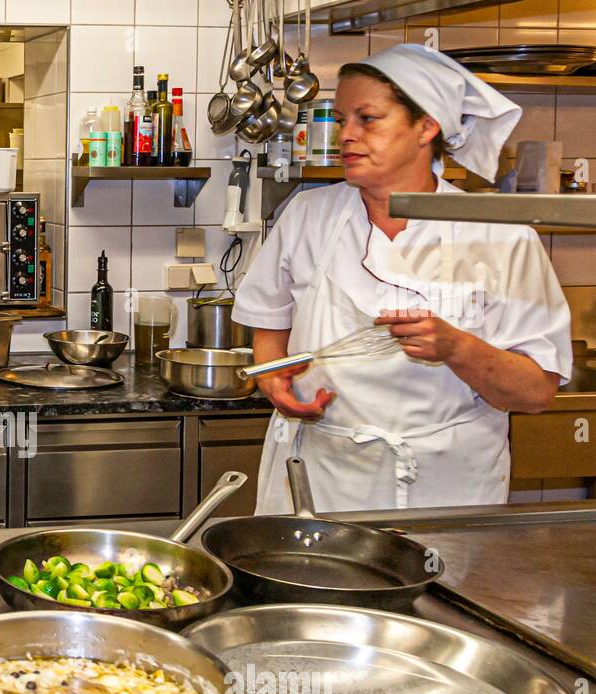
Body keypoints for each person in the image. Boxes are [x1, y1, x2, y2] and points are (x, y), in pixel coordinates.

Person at [234, 44, 572, 515]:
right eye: (342, 118)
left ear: (426, 126)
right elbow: (268, 324)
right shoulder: (309, 215)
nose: (344, 135)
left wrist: (457, 348)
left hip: (447, 486)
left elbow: (536, 392)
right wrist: (274, 381)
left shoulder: (499, 235)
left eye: (367, 119)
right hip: (324, 474)